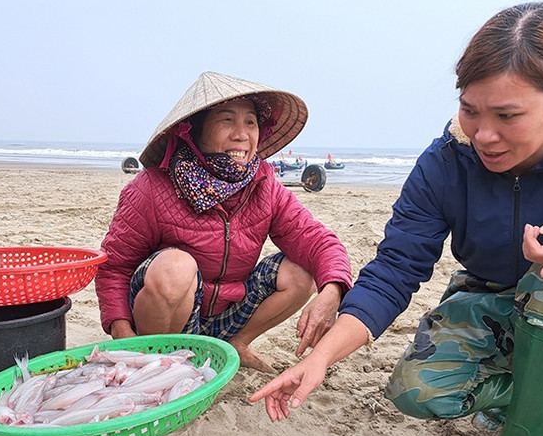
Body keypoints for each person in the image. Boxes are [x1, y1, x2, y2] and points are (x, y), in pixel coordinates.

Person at [250, 2, 543, 436]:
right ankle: (525, 390)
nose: (484, 135)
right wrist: (321, 358)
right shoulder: (447, 160)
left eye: (507, 116)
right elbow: (395, 270)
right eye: (471, 109)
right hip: (495, 296)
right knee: (418, 393)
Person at [95, 71, 352, 373]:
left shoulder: (264, 185)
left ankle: (235, 346)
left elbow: (315, 239)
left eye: (250, 122)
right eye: (227, 120)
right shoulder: (151, 187)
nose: (241, 134)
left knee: (302, 270)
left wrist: (332, 290)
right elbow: (114, 268)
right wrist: (124, 338)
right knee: (175, 267)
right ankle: (162, 363)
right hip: (167, 318)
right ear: (194, 131)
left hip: (228, 314)